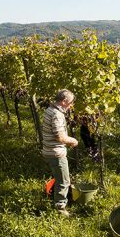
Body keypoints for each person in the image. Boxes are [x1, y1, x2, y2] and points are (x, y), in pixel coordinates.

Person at [42, 89, 78, 217]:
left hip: (49, 150)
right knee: (64, 181)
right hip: (55, 153)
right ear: (63, 101)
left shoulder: (49, 109)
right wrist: (72, 141)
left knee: (59, 177)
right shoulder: (57, 114)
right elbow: (60, 137)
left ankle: (53, 195)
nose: (71, 105)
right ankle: (60, 208)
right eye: (70, 103)